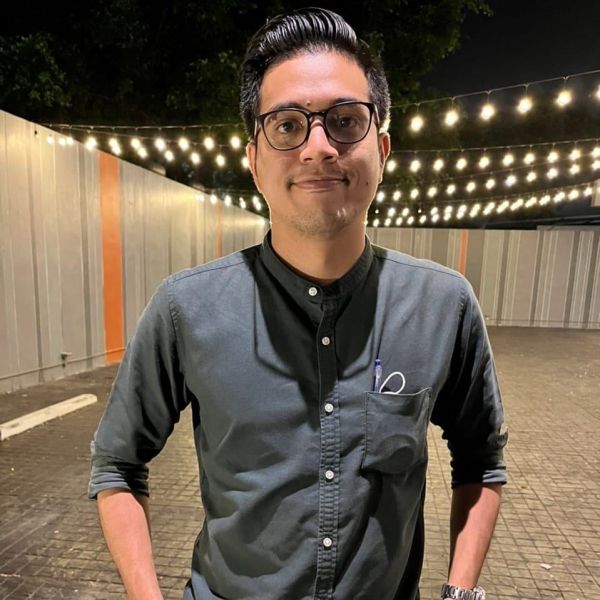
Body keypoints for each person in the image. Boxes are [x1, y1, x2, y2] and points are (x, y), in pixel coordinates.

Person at [89, 7, 508, 600]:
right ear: (254, 161)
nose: (318, 148)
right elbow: (117, 465)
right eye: (287, 125)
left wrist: (460, 592)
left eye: (344, 121)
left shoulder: (443, 305)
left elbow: (481, 460)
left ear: (382, 149)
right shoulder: (186, 309)